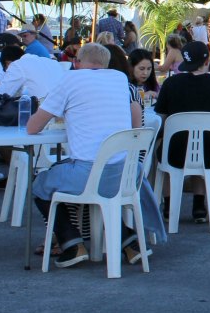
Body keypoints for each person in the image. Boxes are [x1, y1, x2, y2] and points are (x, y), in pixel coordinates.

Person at [27, 43, 165, 268]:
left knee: (40, 184)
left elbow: (33, 127)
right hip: (126, 175)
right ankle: (128, 240)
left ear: (77, 62)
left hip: (89, 174)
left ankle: (71, 243)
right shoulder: (120, 80)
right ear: (106, 65)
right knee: (94, 184)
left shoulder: (71, 80)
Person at [154, 41, 210, 224]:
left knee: (167, 151)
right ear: (207, 60)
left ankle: (169, 206)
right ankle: (199, 207)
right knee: (201, 149)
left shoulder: (170, 84)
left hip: (174, 153)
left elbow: (161, 120)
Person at [0, 46, 66, 101]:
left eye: (6, 71)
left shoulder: (17, 65)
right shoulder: (52, 62)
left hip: (42, 115)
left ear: (8, 63)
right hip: (64, 113)